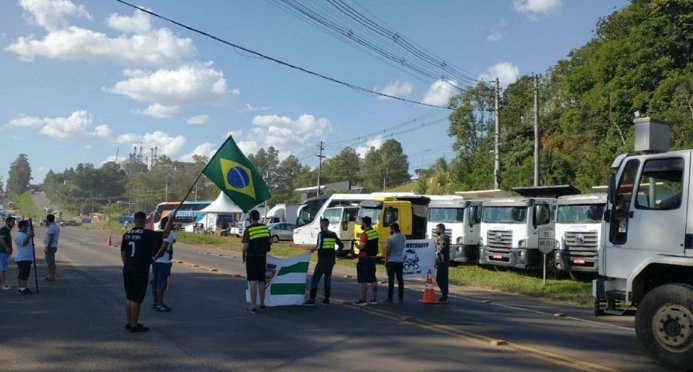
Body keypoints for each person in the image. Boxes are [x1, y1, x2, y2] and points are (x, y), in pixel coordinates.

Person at [121, 211, 172, 333]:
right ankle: (134, 325)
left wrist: (127, 264)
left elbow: (123, 253)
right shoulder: (146, 234)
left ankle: (128, 322)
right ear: (144, 222)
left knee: (129, 297)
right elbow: (165, 235)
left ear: (134, 220)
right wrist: (170, 221)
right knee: (137, 299)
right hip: (140, 269)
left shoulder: (126, 234)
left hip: (128, 268)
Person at [303, 218, 344, 306]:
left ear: (323, 225)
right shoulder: (333, 234)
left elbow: (319, 246)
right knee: (327, 278)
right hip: (331, 259)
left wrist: (312, 249)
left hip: (322, 259)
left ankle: (312, 298)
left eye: (321, 224)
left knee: (315, 278)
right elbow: (341, 245)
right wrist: (336, 252)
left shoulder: (321, 234)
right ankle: (326, 298)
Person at [242, 209, 271, 313]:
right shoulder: (265, 228)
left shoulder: (248, 229)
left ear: (250, 218)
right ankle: (262, 305)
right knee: (261, 281)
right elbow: (270, 242)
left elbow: (246, 246)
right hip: (262, 257)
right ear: (258, 218)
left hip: (252, 257)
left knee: (253, 281)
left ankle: (253, 306)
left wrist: (243, 255)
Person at [151, 216, 176, 312]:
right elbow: (164, 247)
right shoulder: (170, 233)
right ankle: (160, 304)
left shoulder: (157, 231)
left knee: (155, 282)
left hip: (156, 262)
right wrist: (157, 257)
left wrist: (154, 259)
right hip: (163, 262)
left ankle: (155, 303)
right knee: (161, 284)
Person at [353, 216, 379, 306]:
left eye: (361, 222)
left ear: (364, 223)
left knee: (364, 280)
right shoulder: (375, 232)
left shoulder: (365, 234)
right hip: (373, 258)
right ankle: (374, 298)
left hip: (364, 258)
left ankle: (363, 299)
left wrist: (357, 245)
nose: (361, 224)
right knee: (373, 279)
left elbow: (362, 247)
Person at [384, 222, 405, 303]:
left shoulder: (390, 239)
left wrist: (385, 261)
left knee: (391, 280)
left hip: (392, 261)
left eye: (389, 228)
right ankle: (401, 296)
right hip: (400, 260)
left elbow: (387, 252)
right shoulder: (403, 237)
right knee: (400, 280)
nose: (389, 230)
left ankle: (390, 297)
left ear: (392, 229)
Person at [15, 219, 35, 295]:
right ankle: (23, 288)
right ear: (22, 227)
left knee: (22, 273)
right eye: (27, 226)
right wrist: (29, 235)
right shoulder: (20, 235)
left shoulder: (25, 234)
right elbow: (24, 243)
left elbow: (32, 235)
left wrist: (31, 232)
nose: (28, 227)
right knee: (24, 274)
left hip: (26, 257)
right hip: (23, 258)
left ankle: (21, 287)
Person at [434, 223, 450, 303]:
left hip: (443, 262)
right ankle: (444, 294)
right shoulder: (441, 238)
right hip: (440, 261)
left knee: (442, 279)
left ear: (441, 229)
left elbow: (441, 248)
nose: (436, 231)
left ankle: (444, 295)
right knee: (439, 278)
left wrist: (437, 243)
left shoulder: (444, 237)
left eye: (437, 229)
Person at [0, 216, 16, 290]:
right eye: (12, 222)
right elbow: (1, 238)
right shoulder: (4, 229)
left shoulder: (7, 230)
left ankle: (2, 283)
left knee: (3, 267)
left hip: (4, 251)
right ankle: (3, 284)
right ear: (8, 222)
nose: (14, 224)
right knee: (3, 268)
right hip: (3, 251)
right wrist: (6, 247)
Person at [43, 214, 60, 281]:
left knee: (51, 262)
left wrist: (48, 246)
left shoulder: (52, 228)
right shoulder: (55, 226)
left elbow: (51, 238)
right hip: (52, 246)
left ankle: (52, 276)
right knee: (49, 262)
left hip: (50, 246)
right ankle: (50, 275)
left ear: (48, 220)